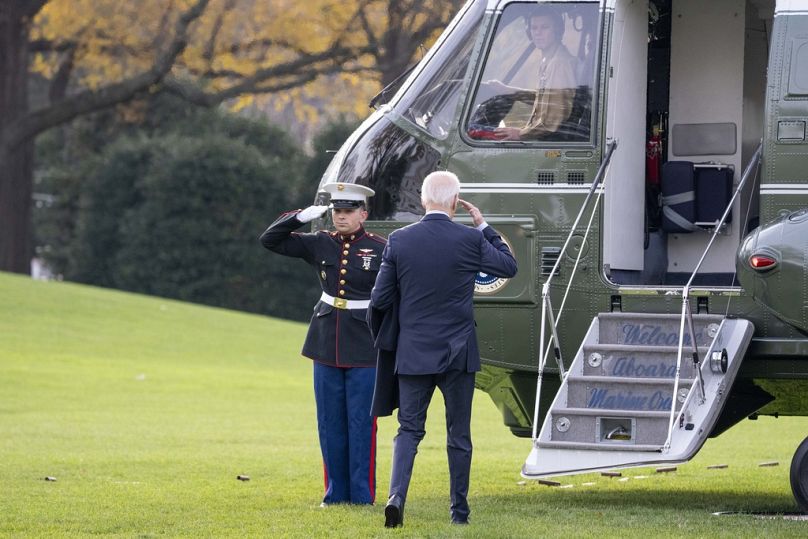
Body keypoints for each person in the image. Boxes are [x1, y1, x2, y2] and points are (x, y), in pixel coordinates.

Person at [369, 171, 517, 527]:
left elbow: (379, 299)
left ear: (423, 200)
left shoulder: (400, 240)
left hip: (414, 350)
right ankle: (459, 513)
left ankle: (396, 497)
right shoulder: (469, 239)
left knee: (409, 430)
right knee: (459, 435)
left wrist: (390, 335)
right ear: (455, 202)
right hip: (458, 351)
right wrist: (483, 225)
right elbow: (508, 266)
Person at [259, 182, 386, 506]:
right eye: (336, 211)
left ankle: (361, 495)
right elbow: (270, 240)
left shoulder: (381, 247)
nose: (340, 217)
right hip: (326, 340)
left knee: (361, 423)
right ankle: (334, 494)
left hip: (364, 345)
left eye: (347, 211)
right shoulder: (321, 243)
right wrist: (299, 217)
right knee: (329, 422)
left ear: (363, 213)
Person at [489, 7, 577, 141]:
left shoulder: (558, 64)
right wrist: (508, 90)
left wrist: (520, 134)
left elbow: (552, 121)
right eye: (534, 28)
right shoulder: (548, 60)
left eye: (545, 27)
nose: (538, 33)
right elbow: (545, 98)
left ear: (557, 30)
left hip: (550, 144)